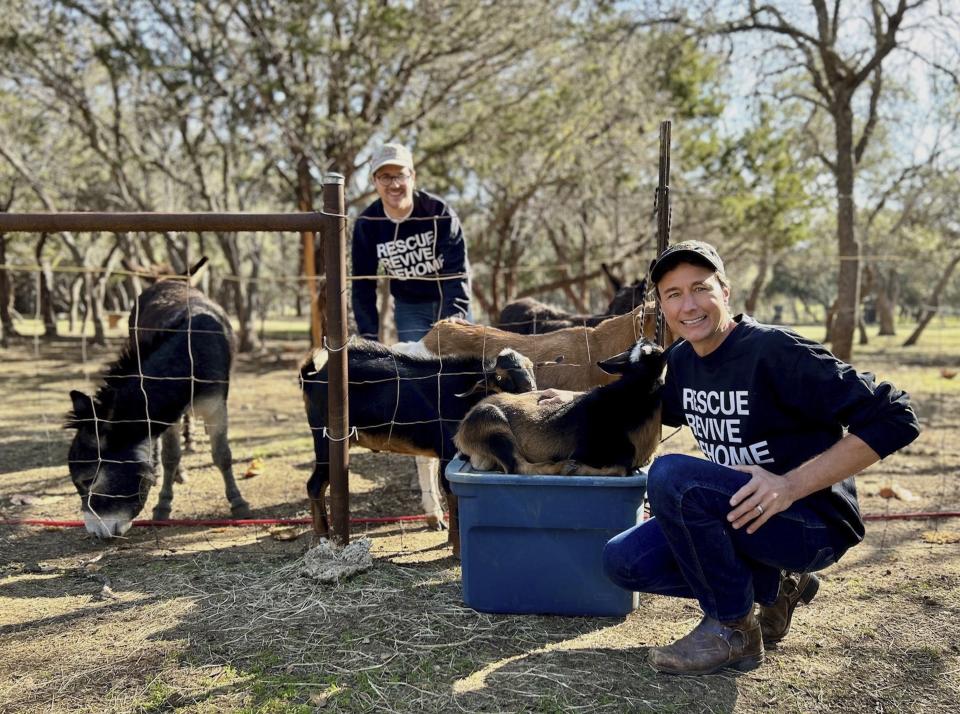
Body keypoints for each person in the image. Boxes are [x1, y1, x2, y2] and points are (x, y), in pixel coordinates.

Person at [541, 240, 920, 675]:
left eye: (700, 288)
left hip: (809, 521)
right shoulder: (683, 360)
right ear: (662, 306)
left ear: (725, 291)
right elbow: (649, 405)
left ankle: (732, 630)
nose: (689, 305)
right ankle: (776, 586)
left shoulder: (776, 352)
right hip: (744, 515)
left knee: (671, 475)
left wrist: (789, 484)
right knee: (624, 561)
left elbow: (896, 415)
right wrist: (574, 400)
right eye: (674, 294)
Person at [351, 142, 471, 342]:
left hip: (449, 298)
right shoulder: (367, 224)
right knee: (417, 369)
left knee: (458, 366)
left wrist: (455, 317)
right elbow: (363, 284)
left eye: (400, 175)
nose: (394, 184)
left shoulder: (439, 213)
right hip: (410, 308)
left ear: (413, 177)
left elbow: (457, 271)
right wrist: (369, 335)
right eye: (385, 177)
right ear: (374, 181)